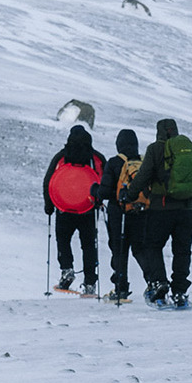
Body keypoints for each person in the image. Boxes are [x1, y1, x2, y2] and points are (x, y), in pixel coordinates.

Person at [120, 117, 192, 309]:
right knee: (182, 251)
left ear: (159, 131)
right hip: (186, 210)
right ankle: (180, 292)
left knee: (152, 246)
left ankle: (160, 282)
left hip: (160, 208)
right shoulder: (189, 147)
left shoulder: (155, 149)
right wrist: (189, 190)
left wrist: (130, 194)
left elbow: (143, 175)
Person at [42, 124, 103, 296]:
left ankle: (67, 270)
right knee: (89, 246)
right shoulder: (96, 158)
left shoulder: (61, 157)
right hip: (88, 209)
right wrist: (99, 201)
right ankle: (90, 281)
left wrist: (49, 205)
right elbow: (105, 182)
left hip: (64, 208)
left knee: (63, 240)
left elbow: (49, 181)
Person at [92, 128, 144, 304]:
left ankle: (121, 288)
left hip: (118, 214)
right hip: (140, 212)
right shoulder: (143, 162)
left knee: (119, 251)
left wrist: (95, 190)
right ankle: (154, 283)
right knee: (140, 250)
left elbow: (105, 192)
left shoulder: (115, 162)